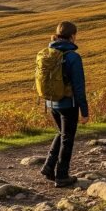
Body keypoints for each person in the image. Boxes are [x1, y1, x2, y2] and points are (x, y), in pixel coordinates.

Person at [40, 21, 89, 188]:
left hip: (51, 101)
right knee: (67, 138)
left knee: (61, 133)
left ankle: (48, 167)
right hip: (68, 103)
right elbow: (78, 86)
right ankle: (61, 175)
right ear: (72, 35)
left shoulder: (49, 52)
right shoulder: (72, 56)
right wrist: (84, 110)